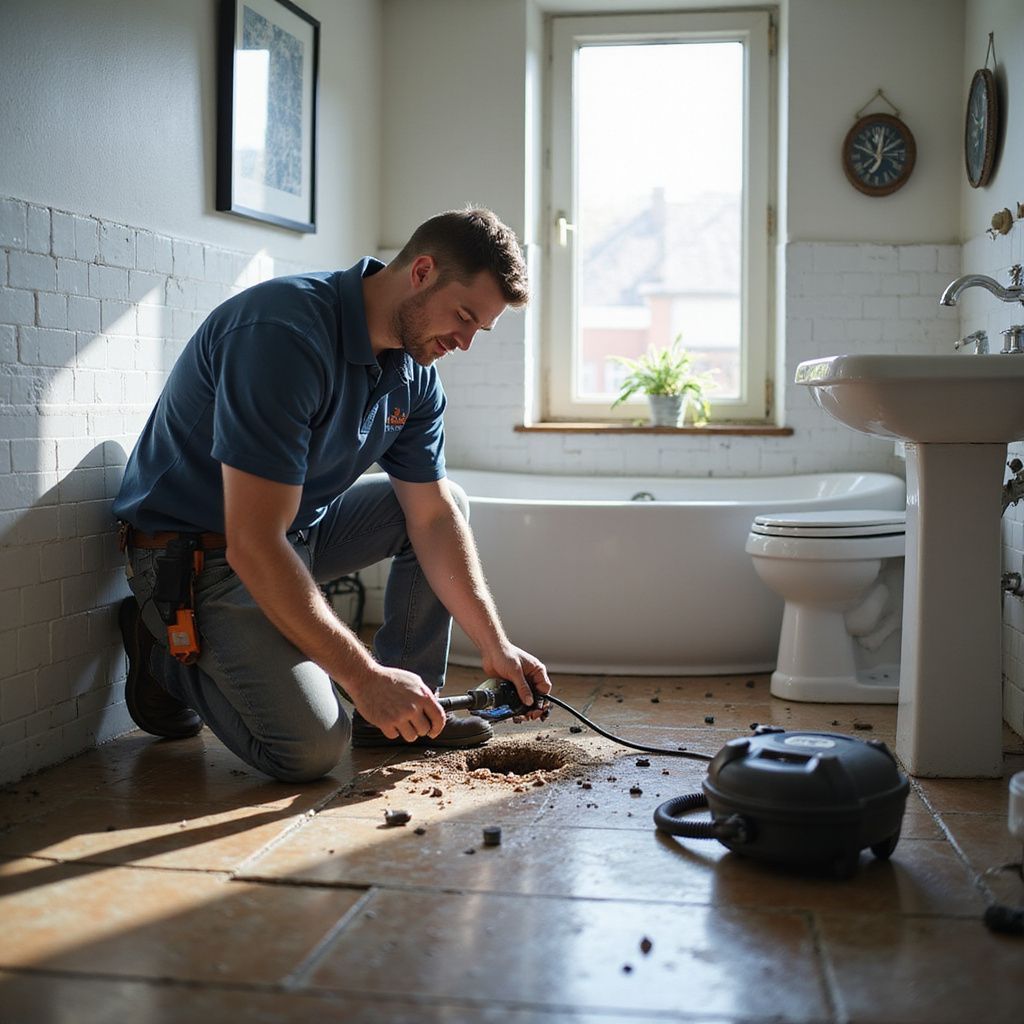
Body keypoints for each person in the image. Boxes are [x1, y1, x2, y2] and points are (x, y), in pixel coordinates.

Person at [113, 207, 552, 783]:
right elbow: (252, 543)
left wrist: (496, 646)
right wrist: (362, 677)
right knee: (309, 752)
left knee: (447, 505)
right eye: (464, 317)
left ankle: (406, 711)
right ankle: (162, 651)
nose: (465, 342)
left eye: (480, 329)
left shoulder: (415, 372)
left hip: (295, 534)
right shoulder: (282, 336)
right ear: (421, 271)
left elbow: (431, 515)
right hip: (200, 554)